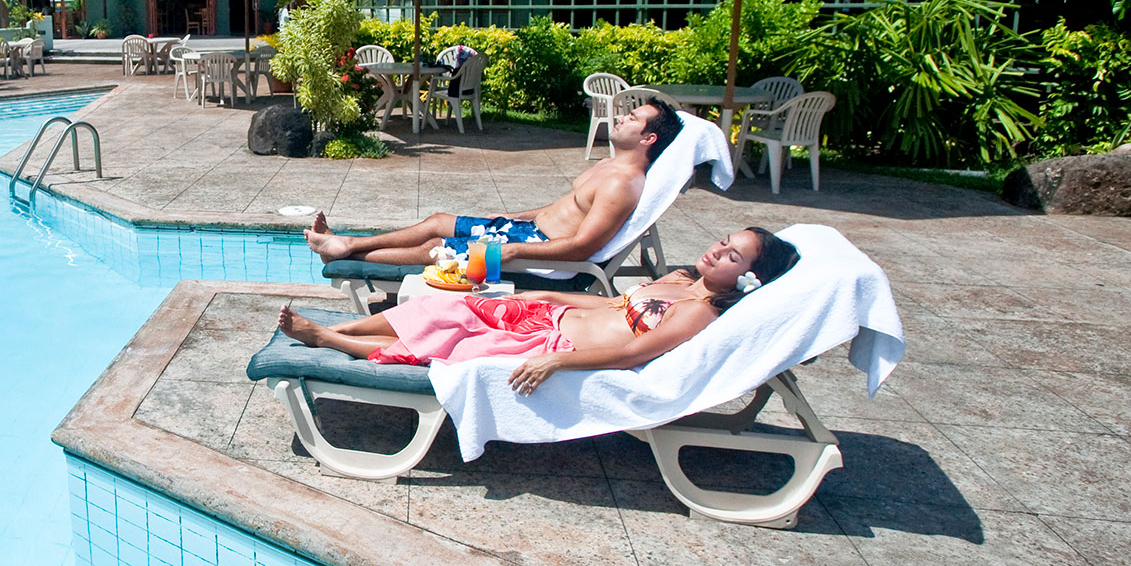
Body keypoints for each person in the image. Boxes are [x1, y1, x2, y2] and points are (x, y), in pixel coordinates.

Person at [276, 227, 801, 395]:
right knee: (446, 307)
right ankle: (343, 325)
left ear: (749, 279)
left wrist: (555, 363)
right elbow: (612, 304)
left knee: (451, 345)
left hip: (554, 348)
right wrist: (545, 297)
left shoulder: (699, 313)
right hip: (546, 319)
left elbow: (632, 351)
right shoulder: (681, 280)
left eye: (732, 256)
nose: (716, 252)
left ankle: (331, 340)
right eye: (723, 242)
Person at [303, 98, 683, 271]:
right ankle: (348, 244)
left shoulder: (623, 184)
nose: (622, 118)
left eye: (633, 118)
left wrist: (517, 252)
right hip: (527, 231)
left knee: (438, 247)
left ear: (648, 139)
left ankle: (346, 253)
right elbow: (565, 210)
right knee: (438, 220)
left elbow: (584, 246)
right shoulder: (608, 166)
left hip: (537, 251)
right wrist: (513, 216)